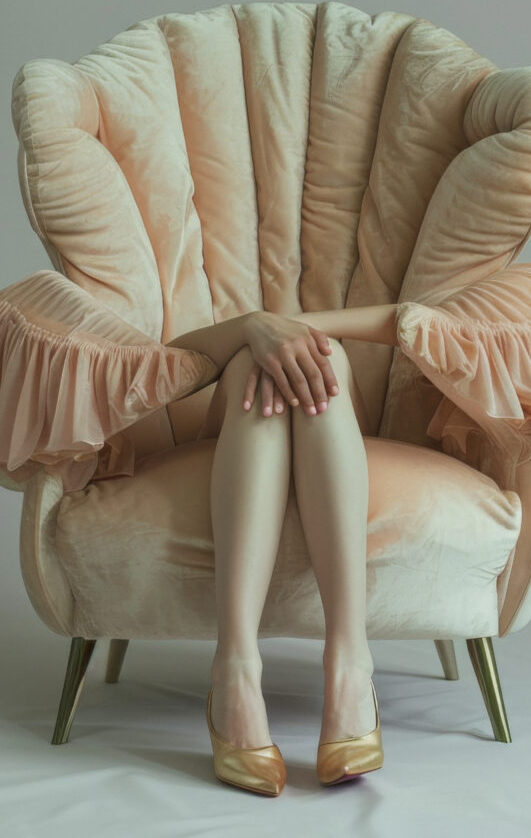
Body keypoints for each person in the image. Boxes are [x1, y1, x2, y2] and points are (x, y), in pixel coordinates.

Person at [168, 304, 400, 795]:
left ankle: (349, 665)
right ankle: (236, 670)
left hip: (329, 406)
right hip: (237, 409)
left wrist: (292, 333)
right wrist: (252, 328)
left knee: (317, 356)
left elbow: (409, 320)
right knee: (253, 363)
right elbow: (167, 361)